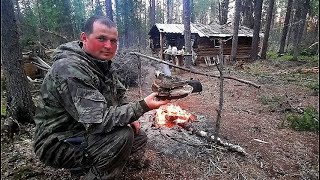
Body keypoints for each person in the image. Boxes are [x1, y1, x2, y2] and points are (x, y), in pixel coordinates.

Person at [33, 15, 170, 179]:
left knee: (138, 136)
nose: (108, 46)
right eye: (101, 38)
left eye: (114, 41)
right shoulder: (69, 69)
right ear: (84, 38)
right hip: (57, 141)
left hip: (82, 128)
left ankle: (107, 167)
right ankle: (92, 173)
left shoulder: (100, 63)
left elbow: (119, 94)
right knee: (122, 137)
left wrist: (131, 117)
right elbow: (99, 121)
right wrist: (142, 106)